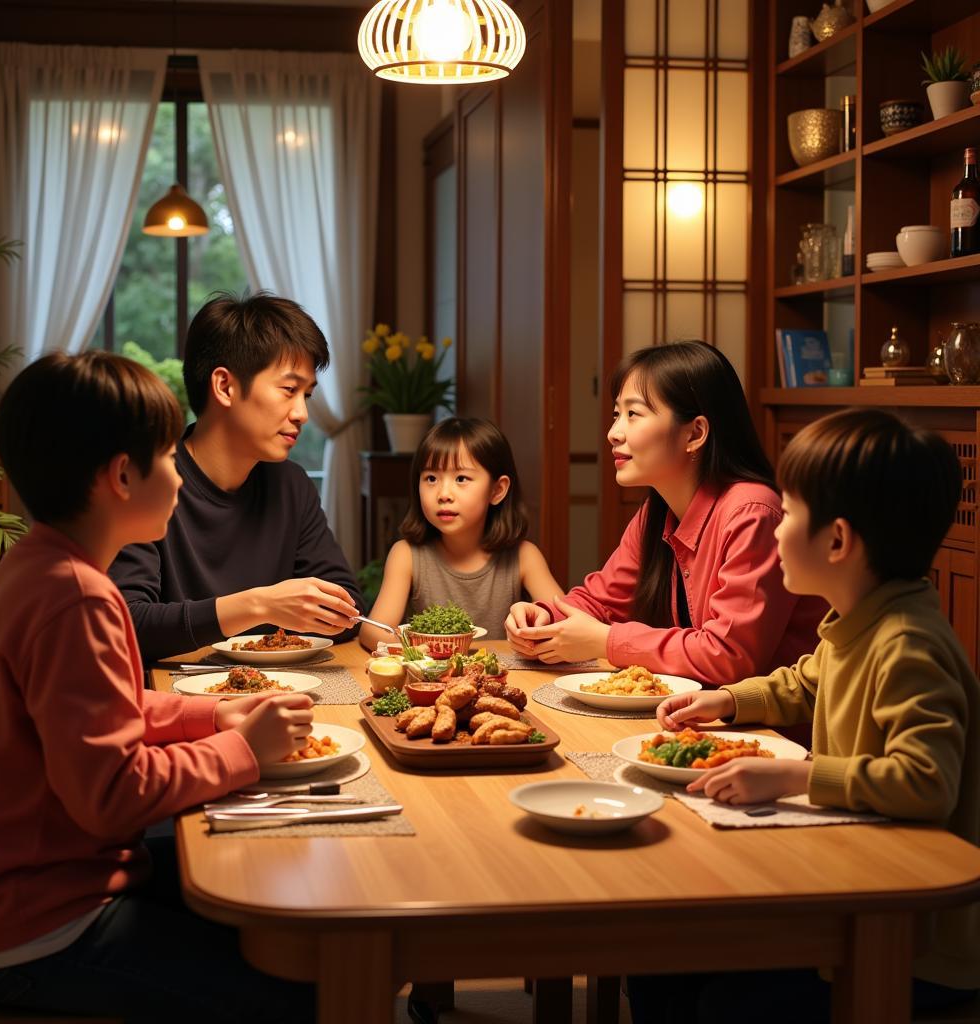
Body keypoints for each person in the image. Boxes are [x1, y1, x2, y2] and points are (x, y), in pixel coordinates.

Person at [0, 352, 317, 1023]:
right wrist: (245, 754)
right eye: (169, 458)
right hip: (38, 928)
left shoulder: (39, 565)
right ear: (122, 476)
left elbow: (103, 711)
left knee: (269, 892)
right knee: (301, 989)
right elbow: (112, 796)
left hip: (17, 890)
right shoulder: (76, 599)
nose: (181, 476)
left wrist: (215, 714)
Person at [632, 407, 979, 1022]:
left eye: (788, 513)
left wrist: (796, 776)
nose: (775, 525)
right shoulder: (859, 619)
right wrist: (731, 699)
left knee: (721, 999)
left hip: (915, 938)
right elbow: (805, 682)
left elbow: (926, 782)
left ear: (838, 541)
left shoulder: (907, 644)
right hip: (858, 875)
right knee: (663, 962)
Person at [505, 341, 825, 680]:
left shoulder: (753, 512)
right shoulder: (657, 511)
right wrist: (541, 618)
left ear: (696, 432)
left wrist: (607, 641)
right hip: (701, 714)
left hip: (770, 729)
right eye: (617, 414)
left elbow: (730, 656)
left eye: (634, 414)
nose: (613, 433)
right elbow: (601, 600)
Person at [110, 292, 363, 662]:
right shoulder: (151, 482)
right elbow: (126, 625)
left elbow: (348, 607)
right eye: (289, 390)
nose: (302, 413)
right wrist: (259, 605)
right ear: (225, 386)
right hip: (172, 699)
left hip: (279, 689)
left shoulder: (290, 485)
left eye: (307, 395)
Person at [359, 416, 562, 651]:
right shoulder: (407, 554)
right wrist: (416, 654)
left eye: (461, 478)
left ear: (497, 490)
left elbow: (565, 621)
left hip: (502, 679)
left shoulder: (524, 556)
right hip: (430, 681)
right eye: (431, 478)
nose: (444, 493)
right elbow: (373, 631)